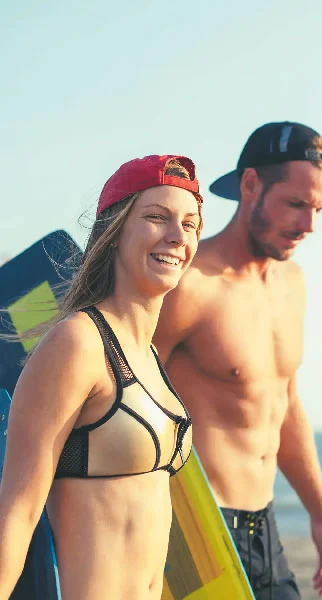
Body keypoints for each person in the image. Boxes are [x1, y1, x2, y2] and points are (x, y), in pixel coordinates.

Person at [153, 122, 322, 599]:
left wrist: (321, 514)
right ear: (251, 185)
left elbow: (284, 405)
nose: (309, 225)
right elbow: (122, 398)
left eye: (319, 210)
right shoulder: (189, 284)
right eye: (296, 204)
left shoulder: (292, 284)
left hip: (265, 526)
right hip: (197, 529)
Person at [0, 154, 203, 600]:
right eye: (157, 217)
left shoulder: (148, 355)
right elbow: (17, 513)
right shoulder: (78, 343)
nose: (177, 235)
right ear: (114, 233)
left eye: (190, 224)